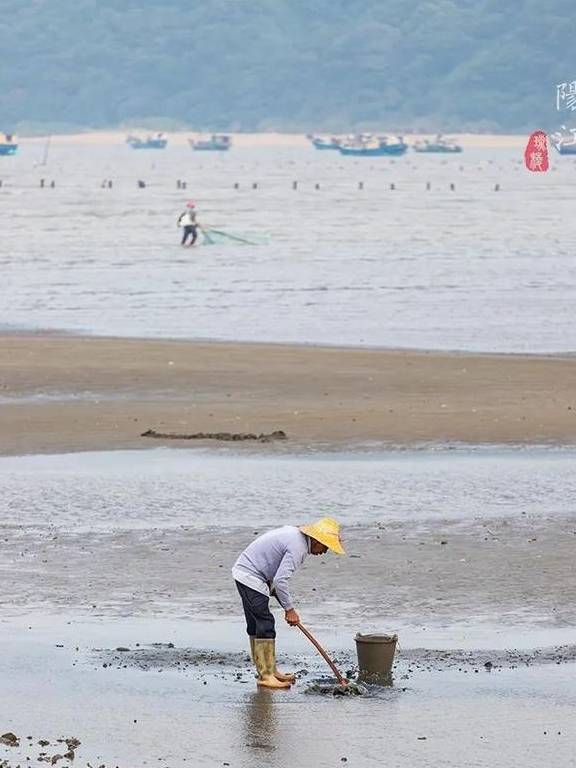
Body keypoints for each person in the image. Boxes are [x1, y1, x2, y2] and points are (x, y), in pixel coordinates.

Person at [232, 517, 345, 689]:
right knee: (265, 623)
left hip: (249, 573)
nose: (325, 551)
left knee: (255, 625)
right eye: (325, 546)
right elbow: (280, 580)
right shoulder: (298, 547)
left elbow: (274, 575)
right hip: (250, 576)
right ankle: (266, 676)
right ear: (317, 540)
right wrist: (289, 610)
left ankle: (268, 670)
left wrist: (281, 599)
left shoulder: (295, 536)